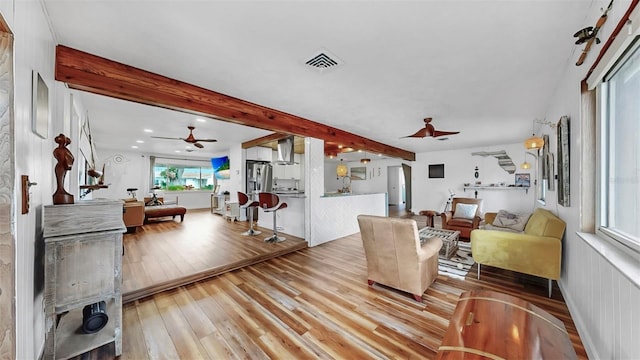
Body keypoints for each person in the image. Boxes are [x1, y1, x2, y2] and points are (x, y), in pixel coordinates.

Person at [53, 133, 75, 204]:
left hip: (61, 165)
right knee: (60, 178)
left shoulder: (59, 150)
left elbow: (71, 157)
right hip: (60, 166)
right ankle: (60, 190)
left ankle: (61, 190)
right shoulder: (62, 150)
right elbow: (71, 157)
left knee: (61, 178)